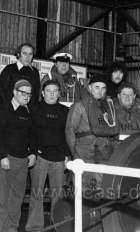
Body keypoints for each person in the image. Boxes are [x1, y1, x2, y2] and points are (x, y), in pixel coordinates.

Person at [25, 80, 70, 232]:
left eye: (55, 90)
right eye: (48, 90)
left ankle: (57, 225)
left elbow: (67, 134)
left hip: (58, 159)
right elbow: (31, 132)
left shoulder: (65, 111)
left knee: (58, 195)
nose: (51, 93)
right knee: (36, 193)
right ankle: (34, 227)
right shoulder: (34, 108)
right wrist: (32, 152)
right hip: (40, 157)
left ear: (59, 94)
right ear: (43, 93)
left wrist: (66, 155)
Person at [65, 74, 119, 190]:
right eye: (97, 87)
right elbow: (70, 131)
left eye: (103, 88)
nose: (100, 91)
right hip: (84, 152)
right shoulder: (79, 106)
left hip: (104, 151)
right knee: (83, 186)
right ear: (89, 88)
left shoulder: (108, 107)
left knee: (102, 186)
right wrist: (74, 153)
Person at [0, 79, 36, 231]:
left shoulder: (28, 111)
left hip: (23, 162)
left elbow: (33, 134)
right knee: (3, 198)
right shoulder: (4, 109)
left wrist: (33, 153)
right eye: (23, 92)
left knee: (17, 198)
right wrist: (2, 156)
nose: (26, 96)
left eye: (29, 93)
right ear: (14, 92)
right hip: (7, 159)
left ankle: (12, 228)